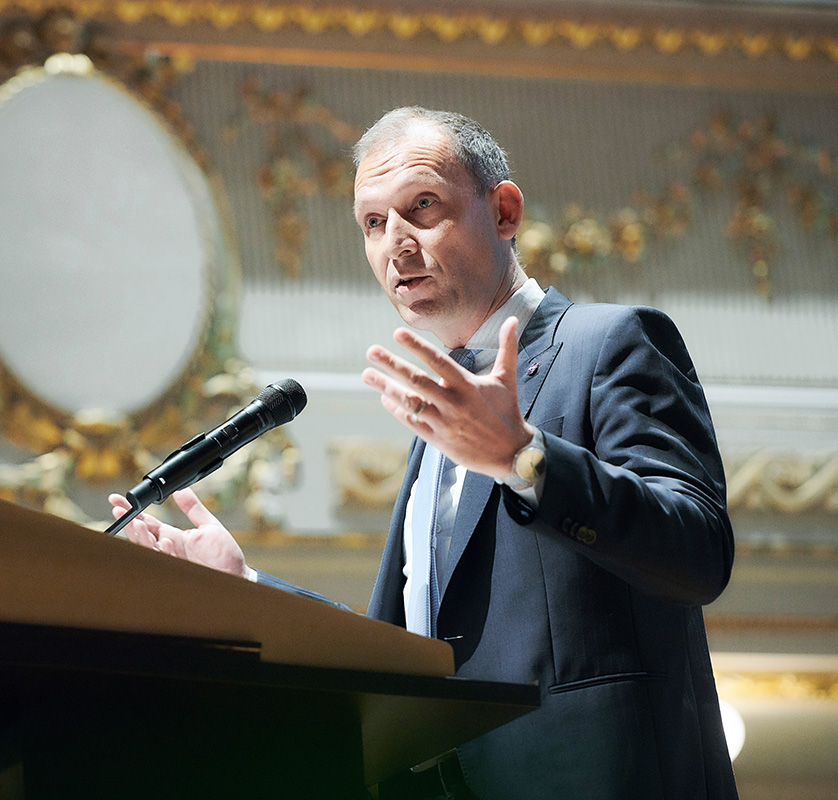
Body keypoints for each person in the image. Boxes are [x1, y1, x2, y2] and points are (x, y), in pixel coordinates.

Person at [110, 107, 738, 799]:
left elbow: (697, 554)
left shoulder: (608, 344)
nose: (395, 245)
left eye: (423, 206)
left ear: (504, 211)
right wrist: (245, 588)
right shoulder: (444, 422)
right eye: (373, 223)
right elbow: (404, 654)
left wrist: (526, 459)